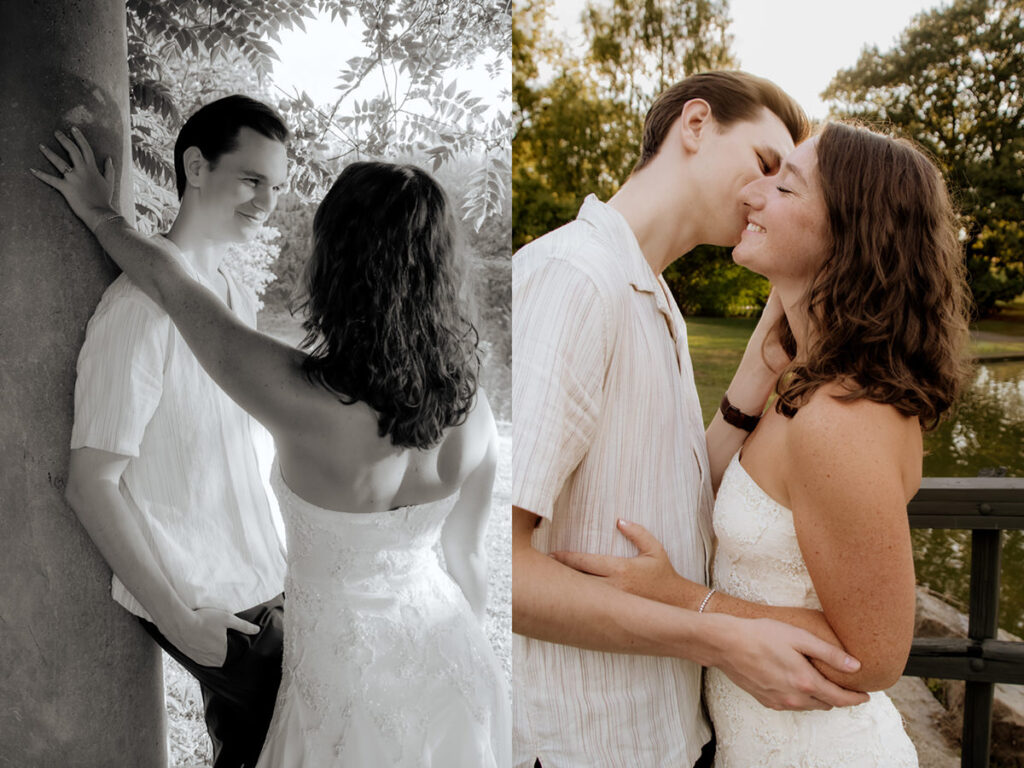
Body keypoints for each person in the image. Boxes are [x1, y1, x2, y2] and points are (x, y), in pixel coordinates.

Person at [34, 131, 511, 765]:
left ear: (338, 265)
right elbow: (468, 558)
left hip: (344, 693)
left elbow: (172, 284)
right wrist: (453, 658)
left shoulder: (295, 396)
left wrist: (99, 212)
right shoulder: (474, 412)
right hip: (454, 662)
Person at [552, 121, 972, 766]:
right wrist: (755, 373)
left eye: (787, 185)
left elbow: (876, 656)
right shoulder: (800, 381)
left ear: (848, 231)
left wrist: (683, 599)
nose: (753, 193)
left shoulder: (841, 417)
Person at [512, 70, 871, 768]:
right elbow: (504, 567)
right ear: (697, 125)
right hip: (578, 745)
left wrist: (754, 377)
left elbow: (663, 491)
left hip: (663, 737)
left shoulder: (651, 293)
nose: (772, 195)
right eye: (766, 165)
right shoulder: (574, 276)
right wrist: (720, 636)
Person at [51, 95, 290, 768]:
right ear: (194, 165)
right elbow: (90, 484)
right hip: (208, 602)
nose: (265, 201)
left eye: (275, 187)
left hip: (269, 584)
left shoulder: (237, 297)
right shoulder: (136, 310)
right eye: (251, 179)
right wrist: (183, 621)